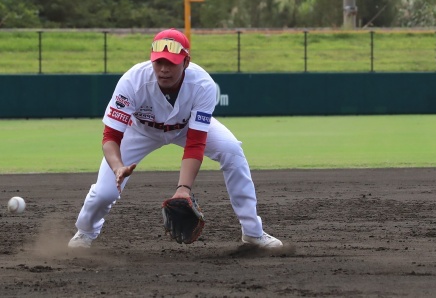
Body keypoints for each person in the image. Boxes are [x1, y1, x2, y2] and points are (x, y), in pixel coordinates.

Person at [68, 28, 282, 249]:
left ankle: (253, 233)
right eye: (158, 62)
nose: (163, 69)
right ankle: (85, 232)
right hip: (140, 130)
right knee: (105, 192)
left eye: (171, 63)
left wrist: (183, 189)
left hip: (184, 128)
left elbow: (196, 141)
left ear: (186, 62)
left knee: (232, 151)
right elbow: (111, 135)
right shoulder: (132, 81)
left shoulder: (203, 85)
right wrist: (117, 166)